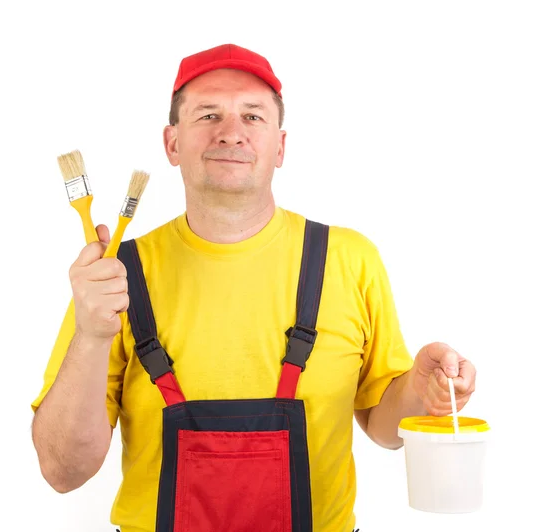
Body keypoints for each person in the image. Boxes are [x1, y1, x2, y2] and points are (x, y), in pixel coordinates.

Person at [31, 43, 477, 532]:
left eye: (252, 116)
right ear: (172, 143)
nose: (231, 133)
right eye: (207, 114)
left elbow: (385, 430)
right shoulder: (115, 277)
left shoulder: (347, 260)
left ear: (280, 146)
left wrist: (420, 391)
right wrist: (92, 336)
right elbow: (62, 471)